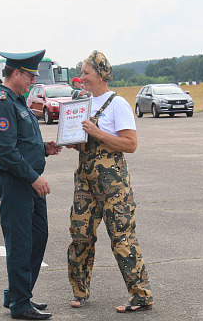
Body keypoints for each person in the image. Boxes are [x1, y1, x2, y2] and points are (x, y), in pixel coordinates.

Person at [66, 50, 153, 313]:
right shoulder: (83, 103)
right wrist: (70, 140)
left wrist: (98, 132)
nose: (81, 78)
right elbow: (82, 142)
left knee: (122, 237)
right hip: (85, 181)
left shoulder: (118, 104)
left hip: (113, 187)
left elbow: (130, 144)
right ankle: (79, 291)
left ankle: (141, 296)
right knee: (80, 235)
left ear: (101, 74)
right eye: (81, 73)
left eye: (86, 73)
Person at [0, 49, 61, 320]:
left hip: (29, 182)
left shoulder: (16, 101)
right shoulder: (2, 102)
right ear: (15, 73)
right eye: (29, 75)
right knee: (20, 243)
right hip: (18, 183)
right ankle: (20, 304)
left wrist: (43, 148)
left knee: (37, 237)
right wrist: (33, 177)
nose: (32, 81)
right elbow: (5, 151)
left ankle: (19, 294)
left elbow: (21, 142)